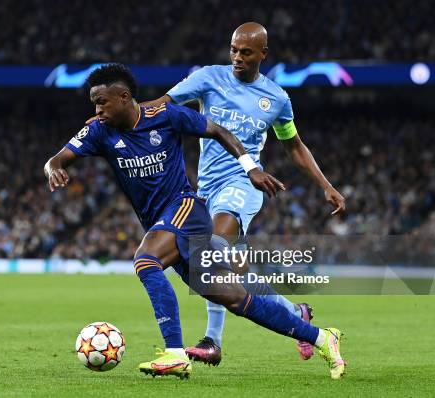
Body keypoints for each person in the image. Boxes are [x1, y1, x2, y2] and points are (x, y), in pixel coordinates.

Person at [46, 63, 346, 379]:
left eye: (102, 101)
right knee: (235, 298)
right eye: (94, 103)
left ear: (123, 97)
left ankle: (174, 353)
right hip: (161, 221)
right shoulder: (98, 131)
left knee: (146, 261)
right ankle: (322, 337)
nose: (97, 109)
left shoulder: (166, 116)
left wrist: (250, 167)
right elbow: (56, 159)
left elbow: (217, 129)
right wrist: (53, 169)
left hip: (185, 209)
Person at [104, 21, 347, 365]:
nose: (237, 58)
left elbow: (294, 146)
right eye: (233, 50)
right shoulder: (208, 78)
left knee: (211, 252)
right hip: (205, 188)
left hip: (244, 184)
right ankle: (297, 312)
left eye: (246, 52)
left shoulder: (276, 99)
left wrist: (326, 185)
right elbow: (161, 105)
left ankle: (211, 341)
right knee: (234, 275)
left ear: (263, 54)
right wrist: (112, 115)